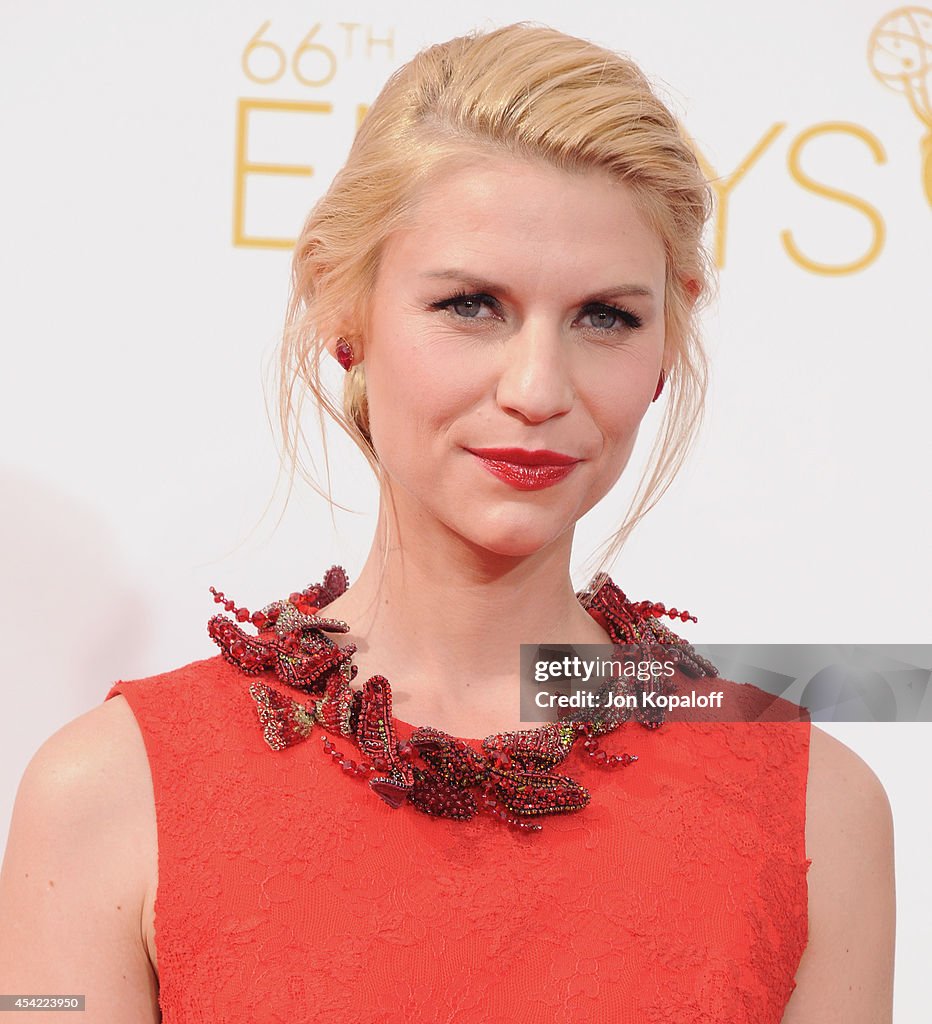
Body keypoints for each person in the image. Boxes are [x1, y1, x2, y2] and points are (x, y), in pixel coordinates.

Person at [0, 22, 894, 1024]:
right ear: (344, 314)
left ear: (663, 350)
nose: (537, 386)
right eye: (472, 305)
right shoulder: (109, 797)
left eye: (604, 316)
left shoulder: (810, 806)